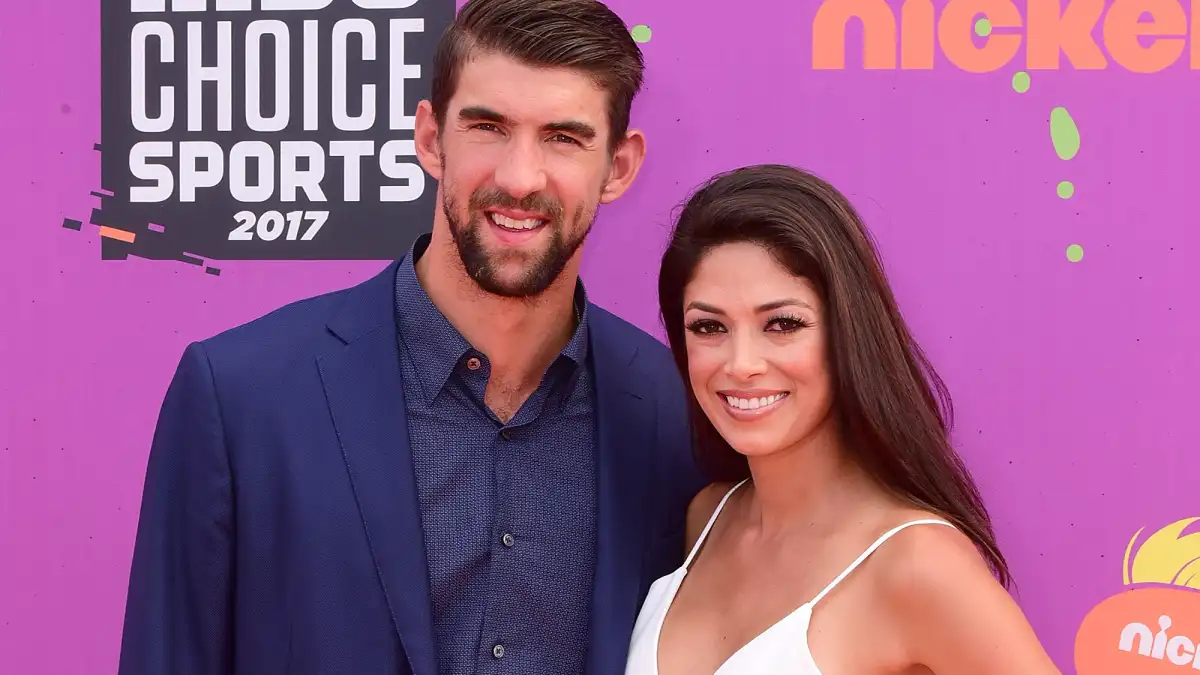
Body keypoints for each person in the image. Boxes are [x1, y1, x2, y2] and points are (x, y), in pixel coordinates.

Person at [116, 1, 705, 674]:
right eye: (488, 127)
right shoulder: (242, 397)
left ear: (620, 166)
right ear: (431, 139)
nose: (519, 177)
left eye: (563, 138)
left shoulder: (673, 410)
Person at [625, 164, 1062, 674]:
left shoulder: (917, 565)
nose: (741, 363)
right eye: (709, 327)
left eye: (783, 324)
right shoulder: (707, 517)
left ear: (846, 335)